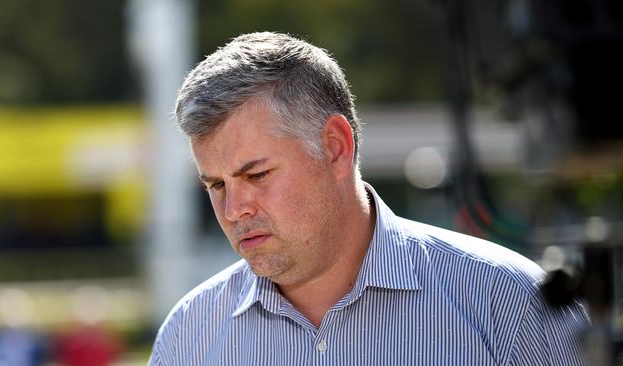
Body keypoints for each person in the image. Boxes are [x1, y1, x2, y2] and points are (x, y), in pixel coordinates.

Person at [150, 32, 588, 365]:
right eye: (216, 185)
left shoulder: (507, 303)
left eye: (257, 174)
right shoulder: (188, 337)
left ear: (336, 147)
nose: (234, 210)